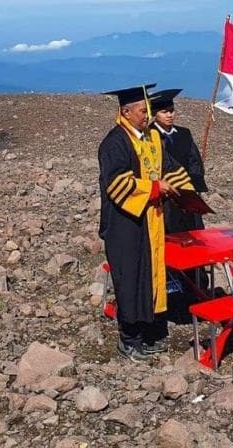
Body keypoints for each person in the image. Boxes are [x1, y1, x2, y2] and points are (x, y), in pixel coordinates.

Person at [98, 84, 196, 361]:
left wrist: (187, 194)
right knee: (131, 278)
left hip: (151, 219)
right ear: (125, 111)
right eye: (142, 111)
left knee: (151, 277)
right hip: (125, 223)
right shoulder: (114, 143)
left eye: (148, 110)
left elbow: (170, 168)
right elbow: (116, 184)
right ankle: (128, 339)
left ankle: (149, 333)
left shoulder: (151, 137)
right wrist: (155, 189)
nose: (147, 115)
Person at [148, 88, 208, 233]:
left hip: (187, 193)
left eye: (172, 110)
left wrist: (192, 184)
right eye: (164, 111)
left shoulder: (184, 133)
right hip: (165, 197)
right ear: (155, 114)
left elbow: (195, 161)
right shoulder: (149, 136)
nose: (169, 115)